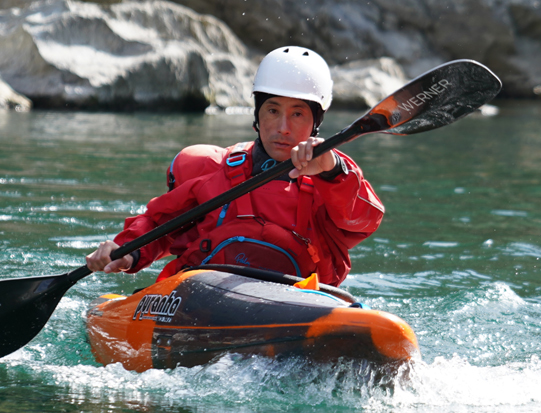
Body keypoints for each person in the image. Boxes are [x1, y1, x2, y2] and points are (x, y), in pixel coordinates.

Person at [85, 46, 384, 285]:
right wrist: (126, 252)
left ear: (315, 123)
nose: (282, 127)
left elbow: (364, 221)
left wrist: (332, 172)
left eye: (297, 114)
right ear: (257, 115)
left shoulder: (335, 178)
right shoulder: (211, 168)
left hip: (298, 304)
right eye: (272, 110)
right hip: (199, 297)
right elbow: (158, 224)